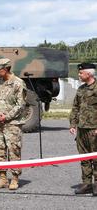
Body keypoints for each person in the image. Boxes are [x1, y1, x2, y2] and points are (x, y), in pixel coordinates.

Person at [0, 58, 26, 190]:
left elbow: (21, 105)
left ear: (5, 69)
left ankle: (15, 179)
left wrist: (6, 116)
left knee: (14, 150)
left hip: (13, 124)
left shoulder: (18, 83)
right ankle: (3, 179)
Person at [69, 62, 97, 196]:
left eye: (81, 73)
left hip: (94, 129)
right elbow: (75, 107)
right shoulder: (81, 89)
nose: (79, 75)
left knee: (96, 157)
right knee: (84, 157)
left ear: (89, 73)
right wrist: (73, 124)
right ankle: (87, 184)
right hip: (82, 129)